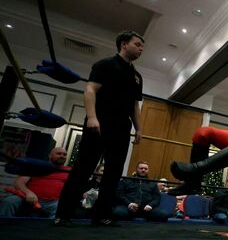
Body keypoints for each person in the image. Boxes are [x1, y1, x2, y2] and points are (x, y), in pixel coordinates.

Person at [55, 30, 144, 227]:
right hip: (100, 124)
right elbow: (90, 90)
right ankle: (63, 214)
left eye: (142, 46)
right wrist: (92, 117)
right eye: (137, 44)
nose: (141, 49)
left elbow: (135, 106)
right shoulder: (104, 65)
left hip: (122, 128)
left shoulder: (137, 76)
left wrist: (139, 129)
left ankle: (102, 216)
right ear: (123, 44)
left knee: (113, 173)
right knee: (83, 168)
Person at [0, 147, 69, 218]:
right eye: (59, 153)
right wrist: (28, 193)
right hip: (27, 198)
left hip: (54, 202)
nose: (62, 156)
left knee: (63, 209)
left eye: (64, 154)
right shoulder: (38, 166)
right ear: (50, 155)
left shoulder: (69, 171)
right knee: (9, 201)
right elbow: (19, 183)